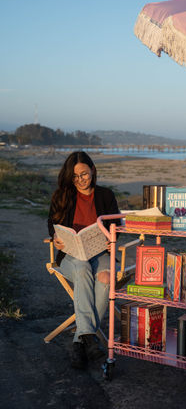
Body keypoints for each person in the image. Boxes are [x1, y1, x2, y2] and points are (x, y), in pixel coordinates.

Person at [48, 151, 121, 369]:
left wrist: (112, 240)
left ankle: (80, 340)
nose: (80, 180)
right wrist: (56, 239)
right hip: (71, 255)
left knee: (106, 278)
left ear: (93, 171)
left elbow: (117, 225)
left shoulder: (106, 195)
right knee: (81, 270)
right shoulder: (61, 196)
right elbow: (51, 225)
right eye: (75, 176)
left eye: (84, 174)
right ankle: (90, 338)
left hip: (100, 253)